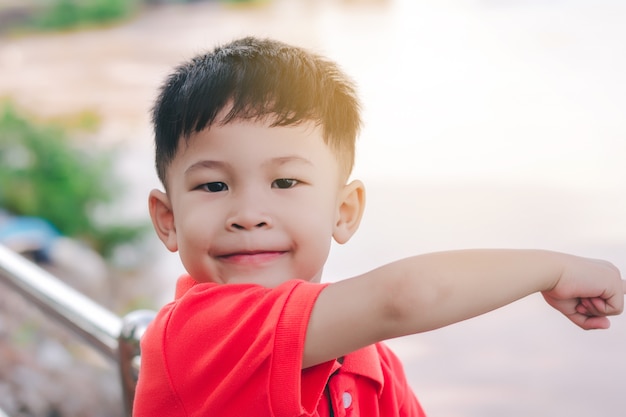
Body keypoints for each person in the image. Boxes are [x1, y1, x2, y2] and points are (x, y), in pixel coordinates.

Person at [133, 36, 625, 416]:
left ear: (344, 211)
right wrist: (552, 269)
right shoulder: (198, 336)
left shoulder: (370, 362)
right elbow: (404, 296)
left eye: (285, 181)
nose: (248, 214)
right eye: (214, 186)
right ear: (168, 219)